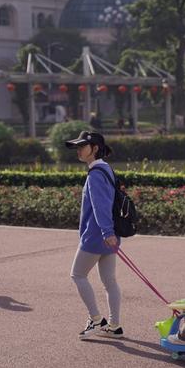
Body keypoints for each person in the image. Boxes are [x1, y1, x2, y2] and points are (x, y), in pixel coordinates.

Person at [65, 131, 123, 339]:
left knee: (77, 275)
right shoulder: (106, 169)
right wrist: (111, 233)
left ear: (95, 148)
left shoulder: (95, 174)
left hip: (97, 236)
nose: (79, 150)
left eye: (83, 146)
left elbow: (101, 207)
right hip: (110, 235)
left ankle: (96, 319)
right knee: (110, 281)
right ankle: (115, 325)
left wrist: (107, 232)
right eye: (77, 147)